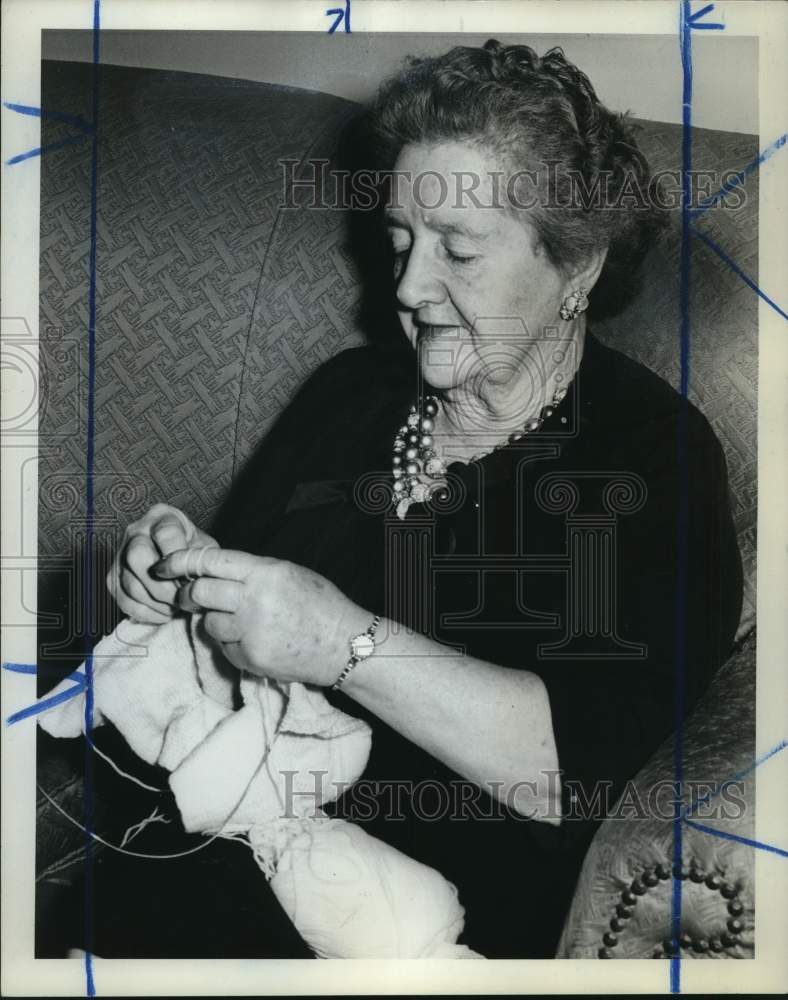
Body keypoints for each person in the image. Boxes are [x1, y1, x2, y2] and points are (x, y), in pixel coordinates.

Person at [100, 39, 742, 959]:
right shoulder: (351, 393)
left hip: (417, 928)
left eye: (460, 251)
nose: (407, 285)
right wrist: (178, 578)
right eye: (400, 240)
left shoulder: (651, 454)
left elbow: (584, 776)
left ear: (581, 265)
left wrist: (341, 643)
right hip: (204, 853)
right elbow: (238, 629)